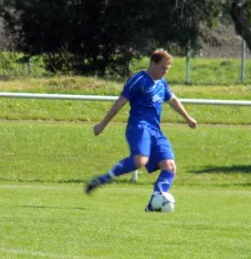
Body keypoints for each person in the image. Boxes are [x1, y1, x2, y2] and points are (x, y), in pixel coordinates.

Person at [84, 49, 197, 210]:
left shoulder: (161, 83)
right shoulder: (139, 80)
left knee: (170, 166)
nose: (165, 72)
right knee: (140, 160)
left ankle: (154, 203)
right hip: (139, 126)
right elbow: (119, 103)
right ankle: (102, 179)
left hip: (155, 130)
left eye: (167, 69)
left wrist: (188, 119)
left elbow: (172, 100)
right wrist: (102, 125)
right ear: (153, 63)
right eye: (163, 68)